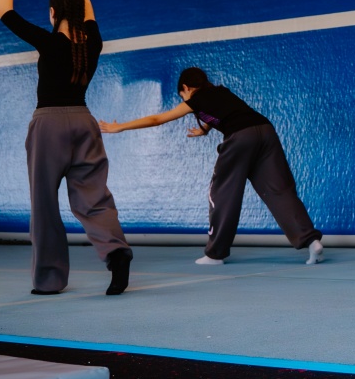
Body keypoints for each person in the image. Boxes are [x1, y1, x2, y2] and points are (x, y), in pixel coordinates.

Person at [0, 0, 132, 295]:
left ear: (53, 13)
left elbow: (4, 12)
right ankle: (116, 252)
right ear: (81, 13)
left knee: (44, 203)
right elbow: (90, 18)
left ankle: (50, 279)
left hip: (49, 125)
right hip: (85, 122)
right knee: (94, 196)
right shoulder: (93, 43)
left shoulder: (49, 42)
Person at [100, 68, 325, 266]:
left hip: (240, 137)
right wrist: (205, 129)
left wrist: (120, 127)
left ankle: (215, 254)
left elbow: (157, 119)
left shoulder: (195, 100)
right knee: (279, 190)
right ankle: (311, 241)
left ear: (186, 88)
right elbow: (225, 111)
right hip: (265, 131)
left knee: (222, 193)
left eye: (182, 95)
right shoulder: (221, 92)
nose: (183, 98)